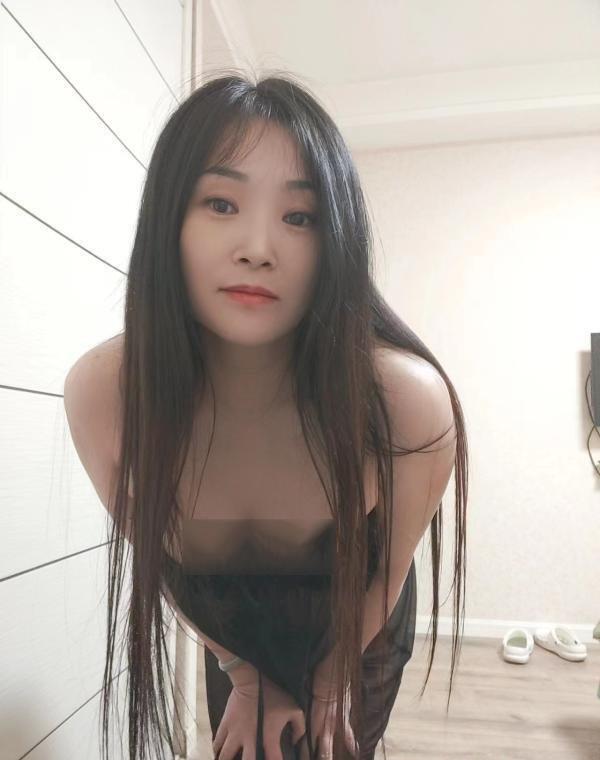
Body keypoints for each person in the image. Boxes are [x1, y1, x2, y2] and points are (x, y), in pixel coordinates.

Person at [63, 70, 467, 760]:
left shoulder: (406, 404)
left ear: (336, 241)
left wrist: (333, 679)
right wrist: (242, 672)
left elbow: (389, 574)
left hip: (359, 616)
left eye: (299, 217)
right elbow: (161, 565)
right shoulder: (109, 395)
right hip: (229, 621)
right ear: (168, 221)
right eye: (220, 203)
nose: (257, 247)